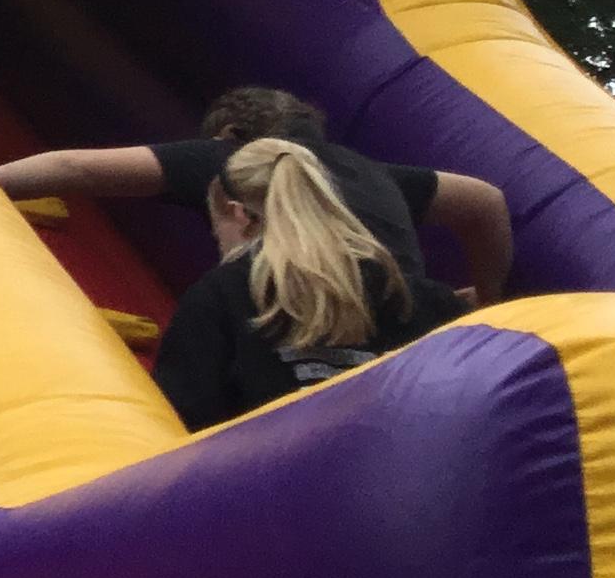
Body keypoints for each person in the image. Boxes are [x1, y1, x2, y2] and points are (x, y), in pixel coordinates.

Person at [0, 85, 510, 309]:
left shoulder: (233, 157)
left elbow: (73, 167)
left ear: (230, 135)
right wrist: (487, 293)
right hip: (408, 333)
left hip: (306, 338)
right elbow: (486, 200)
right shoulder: (377, 173)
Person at [150, 138, 459, 427]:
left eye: (216, 229)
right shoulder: (422, 300)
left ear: (239, 213)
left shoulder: (219, 298)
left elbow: (176, 425)